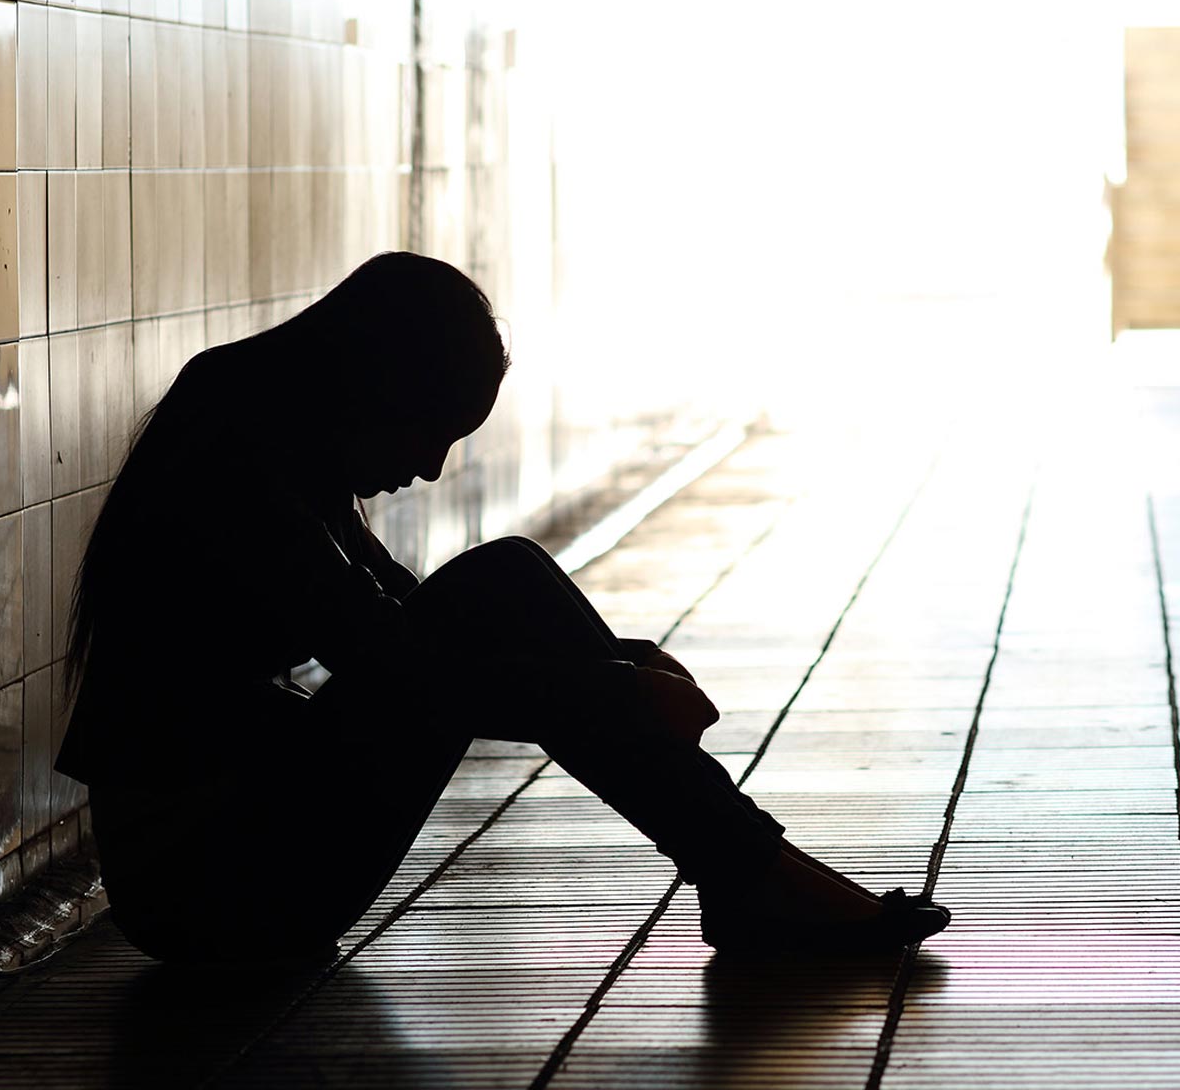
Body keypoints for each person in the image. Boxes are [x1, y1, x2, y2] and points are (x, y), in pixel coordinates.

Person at [56, 251, 949, 964]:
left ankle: (747, 875)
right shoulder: (237, 455)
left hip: (232, 857)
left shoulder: (264, 422)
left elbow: (399, 620)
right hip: (208, 892)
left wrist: (621, 667)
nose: (433, 469)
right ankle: (751, 876)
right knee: (501, 585)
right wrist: (618, 694)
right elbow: (402, 668)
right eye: (432, 430)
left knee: (504, 583)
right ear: (376, 384)